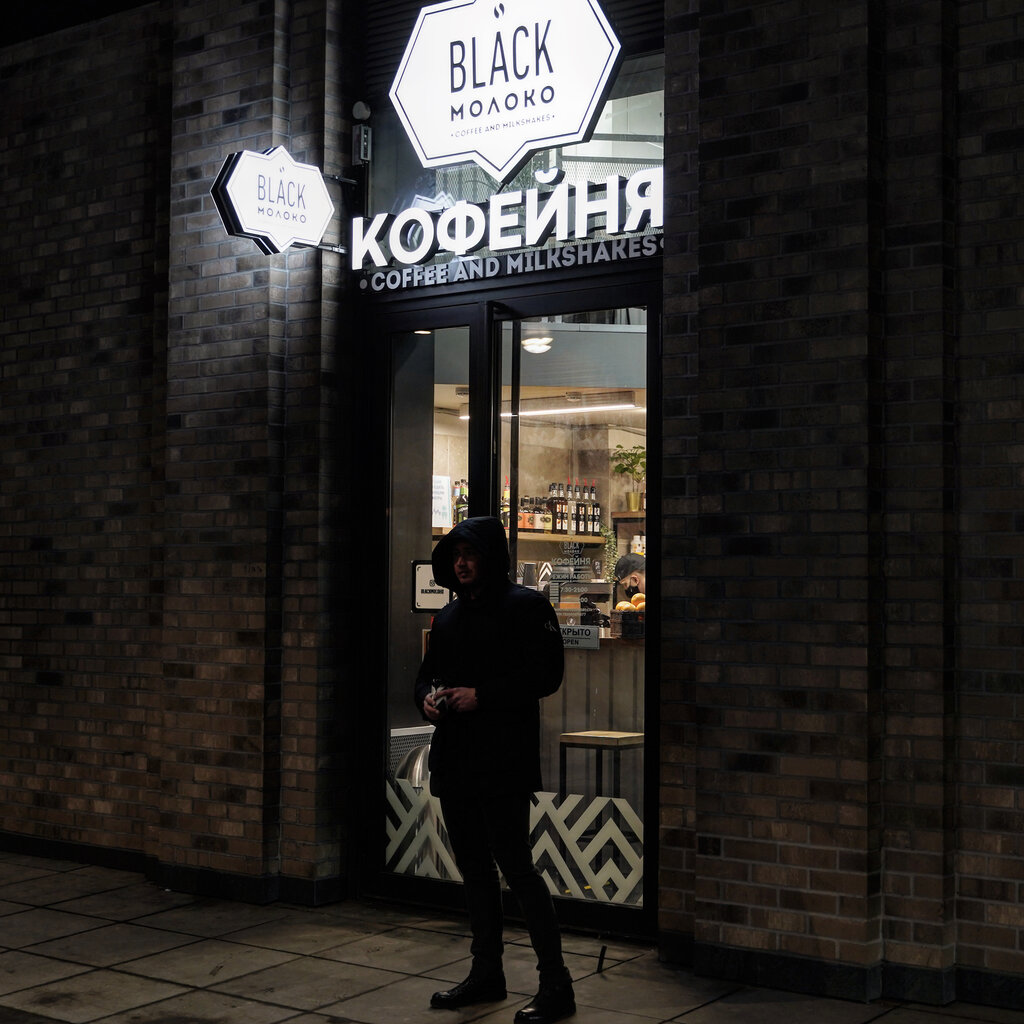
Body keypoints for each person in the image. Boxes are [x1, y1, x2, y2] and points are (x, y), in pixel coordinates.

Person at [415, 516, 575, 1024]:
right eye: (455, 555)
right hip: (456, 758)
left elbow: (547, 674)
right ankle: (487, 973)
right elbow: (425, 677)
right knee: (474, 870)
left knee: (517, 869)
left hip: (503, 759)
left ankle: (557, 984)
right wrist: (428, 701)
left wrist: (482, 695)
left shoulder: (527, 606)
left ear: (491, 558)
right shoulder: (448, 616)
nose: (461, 563)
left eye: (470, 554)